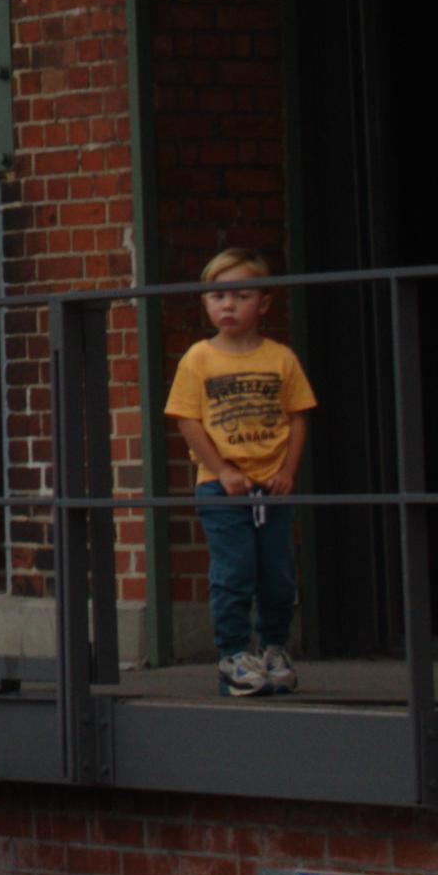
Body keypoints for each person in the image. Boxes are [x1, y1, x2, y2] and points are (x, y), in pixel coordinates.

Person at [167, 246, 317, 698]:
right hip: (222, 488)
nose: (228, 305)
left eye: (241, 295)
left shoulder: (281, 358)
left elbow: (297, 417)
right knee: (233, 573)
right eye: (218, 296)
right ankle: (233, 655)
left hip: (272, 486)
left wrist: (287, 470)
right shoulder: (198, 358)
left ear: (264, 303)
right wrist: (222, 470)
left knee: (278, 574)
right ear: (205, 302)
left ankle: (274, 649)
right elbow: (187, 419)